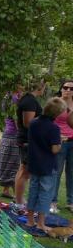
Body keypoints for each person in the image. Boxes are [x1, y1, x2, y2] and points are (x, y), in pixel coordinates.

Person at [26, 97, 65, 232]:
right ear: (57, 113)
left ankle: (30, 220)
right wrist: (60, 142)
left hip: (34, 163)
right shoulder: (54, 128)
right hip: (47, 165)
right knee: (45, 193)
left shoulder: (33, 123)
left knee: (33, 191)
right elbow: (55, 149)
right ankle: (41, 223)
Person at [13, 78, 46, 211]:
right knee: (25, 172)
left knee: (23, 170)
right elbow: (28, 123)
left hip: (27, 139)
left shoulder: (28, 99)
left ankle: (19, 199)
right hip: (28, 140)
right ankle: (19, 202)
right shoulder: (30, 101)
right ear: (40, 87)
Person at [0, 87, 22, 199]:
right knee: (15, 165)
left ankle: (6, 190)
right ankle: (17, 195)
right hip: (13, 136)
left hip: (7, 135)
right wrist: (22, 134)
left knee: (8, 163)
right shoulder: (14, 98)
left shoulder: (8, 96)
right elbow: (16, 119)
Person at [51, 79, 73, 213]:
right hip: (60, 142)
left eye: (71, 89)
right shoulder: (55, 103)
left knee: (71, 173)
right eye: (65, 87)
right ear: (61, 89)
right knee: (56, 172)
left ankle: (71, 202)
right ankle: (53, 201)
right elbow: (47, 121)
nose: (68, 90)